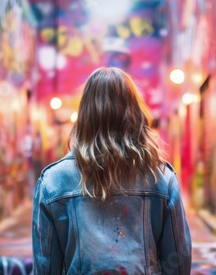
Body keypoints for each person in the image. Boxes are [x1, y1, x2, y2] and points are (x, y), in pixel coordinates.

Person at [32, 67, 191, 274]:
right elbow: (179, 262)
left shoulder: (53, 182)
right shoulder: (161, 179)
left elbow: (45, 268)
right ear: (135, 112)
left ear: (85, 115)